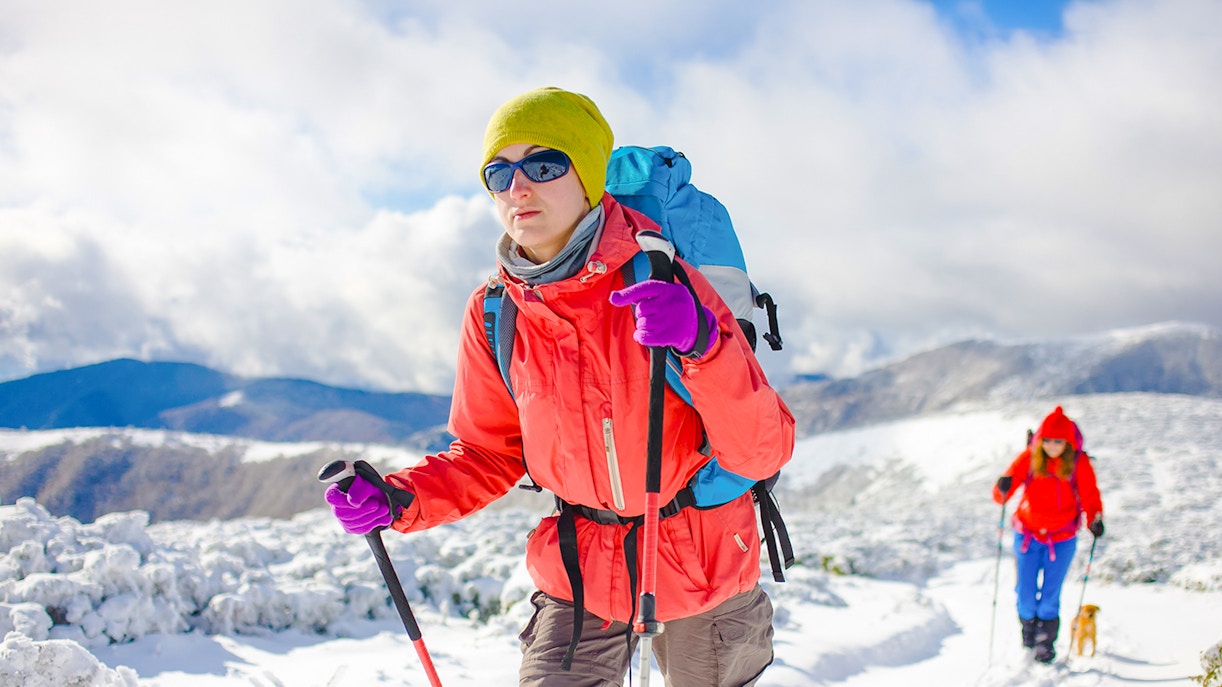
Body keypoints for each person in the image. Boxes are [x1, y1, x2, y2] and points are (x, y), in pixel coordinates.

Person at [326, 87, 796, 686]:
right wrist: (399, 499)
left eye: (544, 166)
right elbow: (488, 454)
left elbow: (762, 450)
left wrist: (703, 343)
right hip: (581, 574)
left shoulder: (662, 277)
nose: (518, 187)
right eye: (499, 173)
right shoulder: (496, 310)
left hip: (703, 567)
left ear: (590, 178)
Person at [993, 405, 1104, 664]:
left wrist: (1095, 519)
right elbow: (1001, 494)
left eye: (1059, 441)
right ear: (1039, 439)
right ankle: (1028, 634)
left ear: (1068, 442)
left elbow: (1089, 494)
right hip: (1028, 535)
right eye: (1048, 440)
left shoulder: (1078, 462)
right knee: (1026, 593)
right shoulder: (1030, 457)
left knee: (1051, 594)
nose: (1053, 446)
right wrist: (1003, 487)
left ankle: (1045, 644)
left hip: (1063, 538)